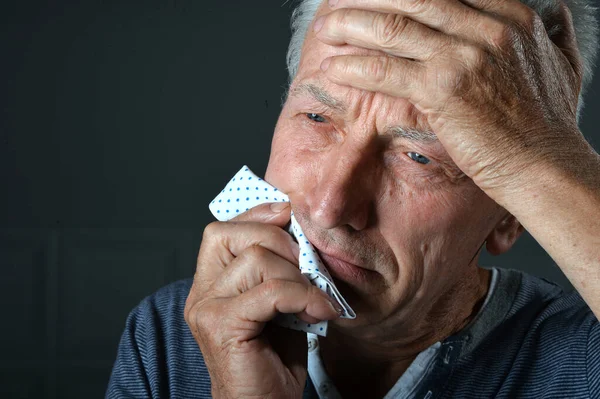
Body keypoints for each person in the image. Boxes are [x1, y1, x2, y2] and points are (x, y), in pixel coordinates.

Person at [107, 0, 600, 397]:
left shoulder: (581, 359)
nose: (329, 208)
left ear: (511, 215)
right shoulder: (171, 336)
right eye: (317, 119)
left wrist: (545, 160)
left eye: (418, 157)